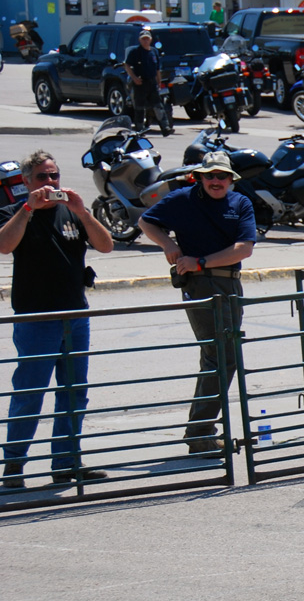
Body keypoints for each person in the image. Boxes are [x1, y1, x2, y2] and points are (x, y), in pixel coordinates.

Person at [0, 151, 113, 489]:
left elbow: (105, 245)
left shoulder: (72, 212)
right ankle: (14, 468)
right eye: (42, 178)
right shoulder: (14, 213)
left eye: (54, 177)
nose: (50, 184)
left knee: (74, 393)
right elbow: (4, 246)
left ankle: (66, 464)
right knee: (30, 394)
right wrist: (28, 209)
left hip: (75, 316)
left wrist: (83, 212)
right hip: (37, 318)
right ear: (26, 182)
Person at [138, 152, 256, 455]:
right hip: (200, 285)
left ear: (231, 179)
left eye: (222, 176)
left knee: (218, 356)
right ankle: (200, 431)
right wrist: (169, 245)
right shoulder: (182, 199)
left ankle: (199, 431)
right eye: (210, 176)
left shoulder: (240, 203)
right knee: (221, 357)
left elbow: (244, 249)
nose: (216, 181)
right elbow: (146, 221)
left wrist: (200, 261)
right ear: (199, 177)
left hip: (228, 282)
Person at [124, 28, 172, 136]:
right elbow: (127, 65)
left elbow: (157, 69)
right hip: (140, 83)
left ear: (150, 40)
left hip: (152, 83)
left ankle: (165, 128)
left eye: (147, 39)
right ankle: (140, 130)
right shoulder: (135, 52)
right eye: (143, 39)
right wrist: (134, 78)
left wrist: (159, 82)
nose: (145, 41)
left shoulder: (154, 51)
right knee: (139, 108)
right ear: (140, 40)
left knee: (158, 106)